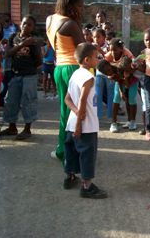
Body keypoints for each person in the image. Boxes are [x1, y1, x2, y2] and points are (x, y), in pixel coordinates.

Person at [64, 43, 107, 199]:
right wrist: (79, 124)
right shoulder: (88, 77)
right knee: (87, 154)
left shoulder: (75, 74)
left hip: (72, 122)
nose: (98, 59)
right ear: (87, 59)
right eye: (96, 57)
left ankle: (70, 177)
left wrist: (75, 115)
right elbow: (82, 102)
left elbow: (67, 99)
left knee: (72, 151)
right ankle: (87, 186)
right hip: (85, 125)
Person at [46, 0, 85, 161]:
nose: (81, 9)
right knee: (76, 112)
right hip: (73, 69)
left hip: (59, 68)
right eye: (79, 5)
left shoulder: (50, 19)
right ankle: (72, 153)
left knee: (65, 111)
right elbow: (83, 50)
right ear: (70, 5)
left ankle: (62, 149)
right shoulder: (70, 24)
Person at [0, 15, 42, 140]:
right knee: (11, 100)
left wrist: (34, 48)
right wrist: (23, 44)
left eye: (29, 25)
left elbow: (39, 61)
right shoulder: (13, 37)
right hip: (15, 74)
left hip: (29, 75)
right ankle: (12, 127)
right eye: (24, 23)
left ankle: (27, 129)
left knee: (28, 101)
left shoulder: (33, 41)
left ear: (33, 28)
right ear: (20, 24)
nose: (25, 27)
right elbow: (7, 54)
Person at [104, 38, 136, 133]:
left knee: (131, 99)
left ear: (121, 49)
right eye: (111, 50)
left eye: (115, 50)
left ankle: (132, 121)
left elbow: (132, 71)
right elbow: (110, 72)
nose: (112, 52)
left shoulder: (128, 55)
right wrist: (121, 91)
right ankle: (113, 122)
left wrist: (126, 81)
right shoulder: (109, 56)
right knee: (117, 97)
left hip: (132, 77)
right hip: (118, 76)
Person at [93, 27, 114, 120]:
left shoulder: (109, 46)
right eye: (94, 37)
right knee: (98, 95)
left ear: (104, 37)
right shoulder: (93, 47)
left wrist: (100, 50)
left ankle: (111, 116)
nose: (96, 39)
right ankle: (98, 116)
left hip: (109, 74)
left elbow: (109, 58)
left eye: (98, 37)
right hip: (98, 74)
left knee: (110, 95)